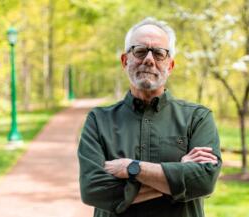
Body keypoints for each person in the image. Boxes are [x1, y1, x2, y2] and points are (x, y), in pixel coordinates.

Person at [78, 17, 222, 217]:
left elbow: (204, 181)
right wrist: (178, 175)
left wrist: (132, 168)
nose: (148, 59)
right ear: (125, 60)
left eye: (159, 53)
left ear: (170, 65)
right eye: (139, 50)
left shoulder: (197, 118)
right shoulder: (98, 121)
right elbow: (93, 191)